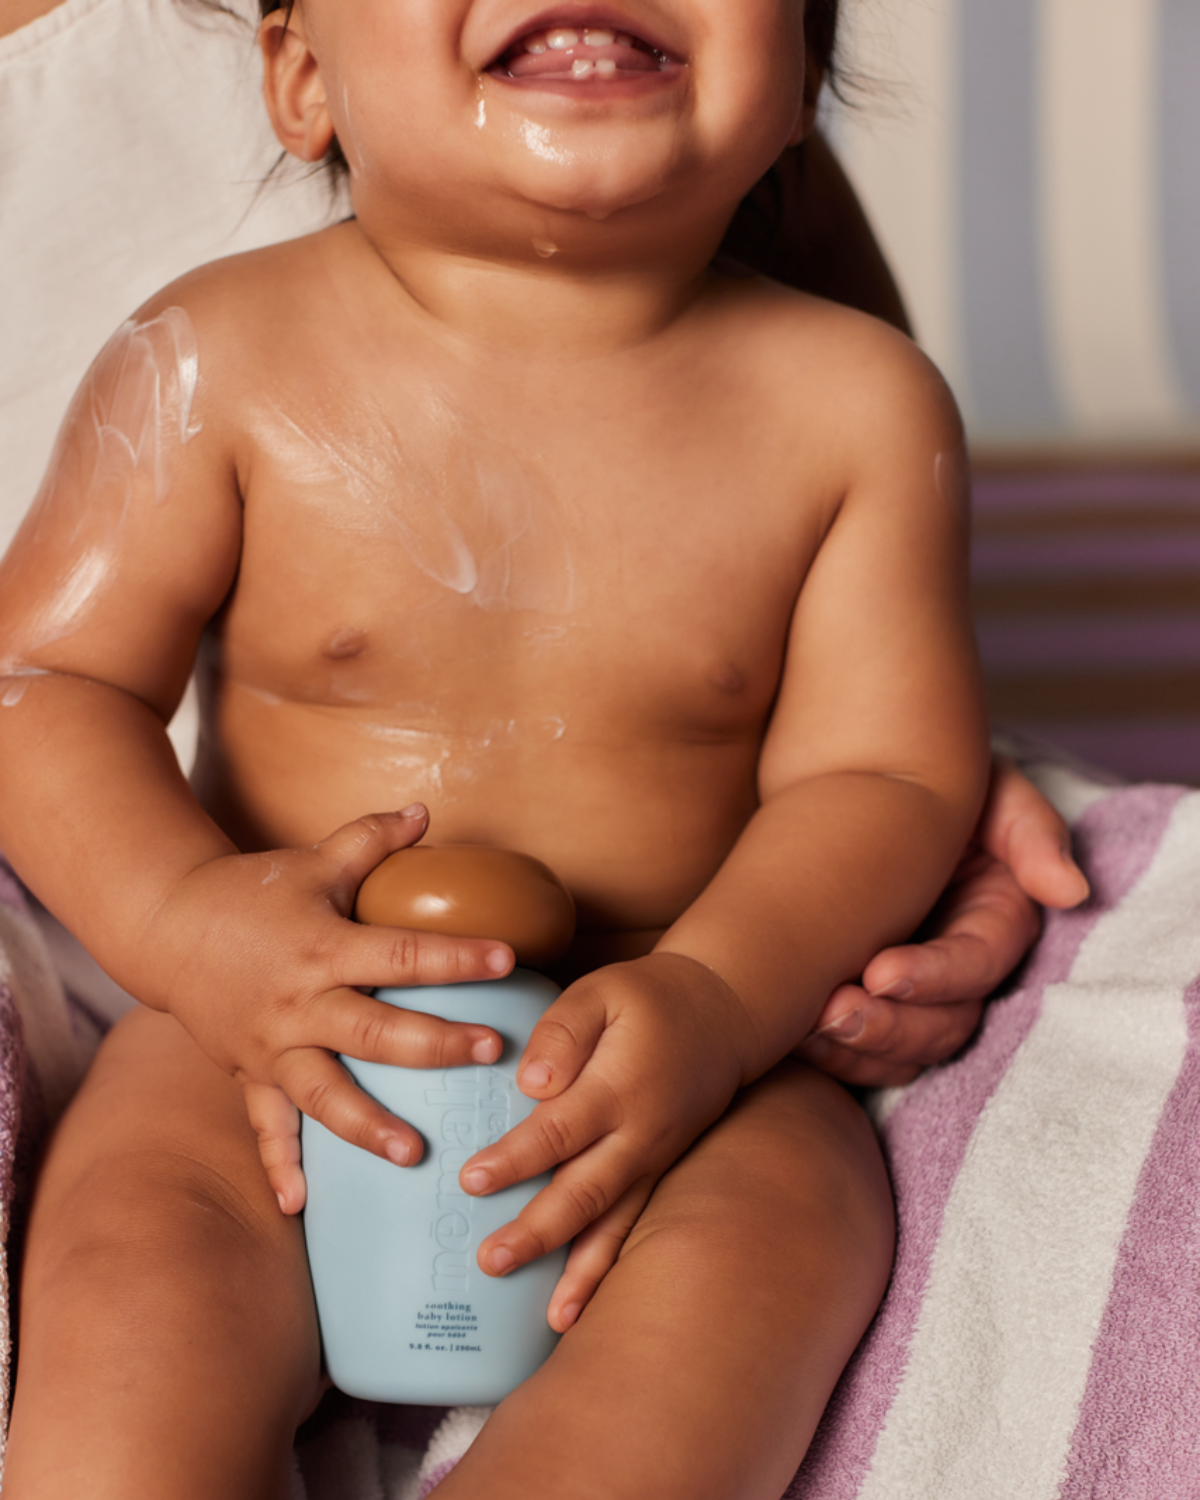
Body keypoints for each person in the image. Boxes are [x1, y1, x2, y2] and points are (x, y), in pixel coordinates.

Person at [0, 3, 1087, 1497]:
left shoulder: (857, 410)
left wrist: (718, 999)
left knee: (785, 1217)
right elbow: (40, 681)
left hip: (670, 1018)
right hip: (272, 1023)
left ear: (801, 105)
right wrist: (191, 932)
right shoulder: (211, 358)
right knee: (138, 1269)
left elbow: (883, 776)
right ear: (302, 77)